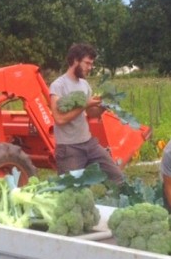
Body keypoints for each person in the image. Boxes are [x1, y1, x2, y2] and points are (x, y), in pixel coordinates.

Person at [49, 42, 125, 184]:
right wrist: (85, 105)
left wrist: (103, 105)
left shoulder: (84, 84)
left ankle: (118, 204)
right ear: (75, 60)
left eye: (91, 64)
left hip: (89, 144)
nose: (90, 68)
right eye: (87, 63)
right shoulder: (58, 86)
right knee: (71, 191)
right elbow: (59, 119)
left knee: (118, 177)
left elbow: (91, 113)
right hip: (68, 149)